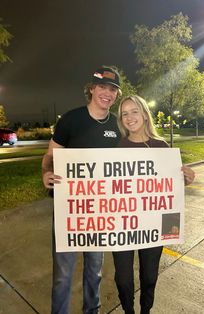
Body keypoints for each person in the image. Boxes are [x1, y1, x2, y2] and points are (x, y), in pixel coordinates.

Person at [41, 66, 122, 314]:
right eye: (102, 87)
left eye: (112, 89)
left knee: (94, 270)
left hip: (100, 212)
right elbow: (50, 156)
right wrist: (45, 172)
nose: (107, 93)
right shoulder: (71, 119)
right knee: (63, 275)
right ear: (91, 89)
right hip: (69, 210)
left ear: (116, 94)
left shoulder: (118, 125)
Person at [112, 95, 195, 314]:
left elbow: (169, 192)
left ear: (145, 115)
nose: (129, 117)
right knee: (122, 279)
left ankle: (145, 310)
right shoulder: (115, 147)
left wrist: (184, 178)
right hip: (122, 224)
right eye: (124, 113)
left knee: (149, 276)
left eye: (134, 111)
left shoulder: (161, 146)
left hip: (153, 225)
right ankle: (128, 311)